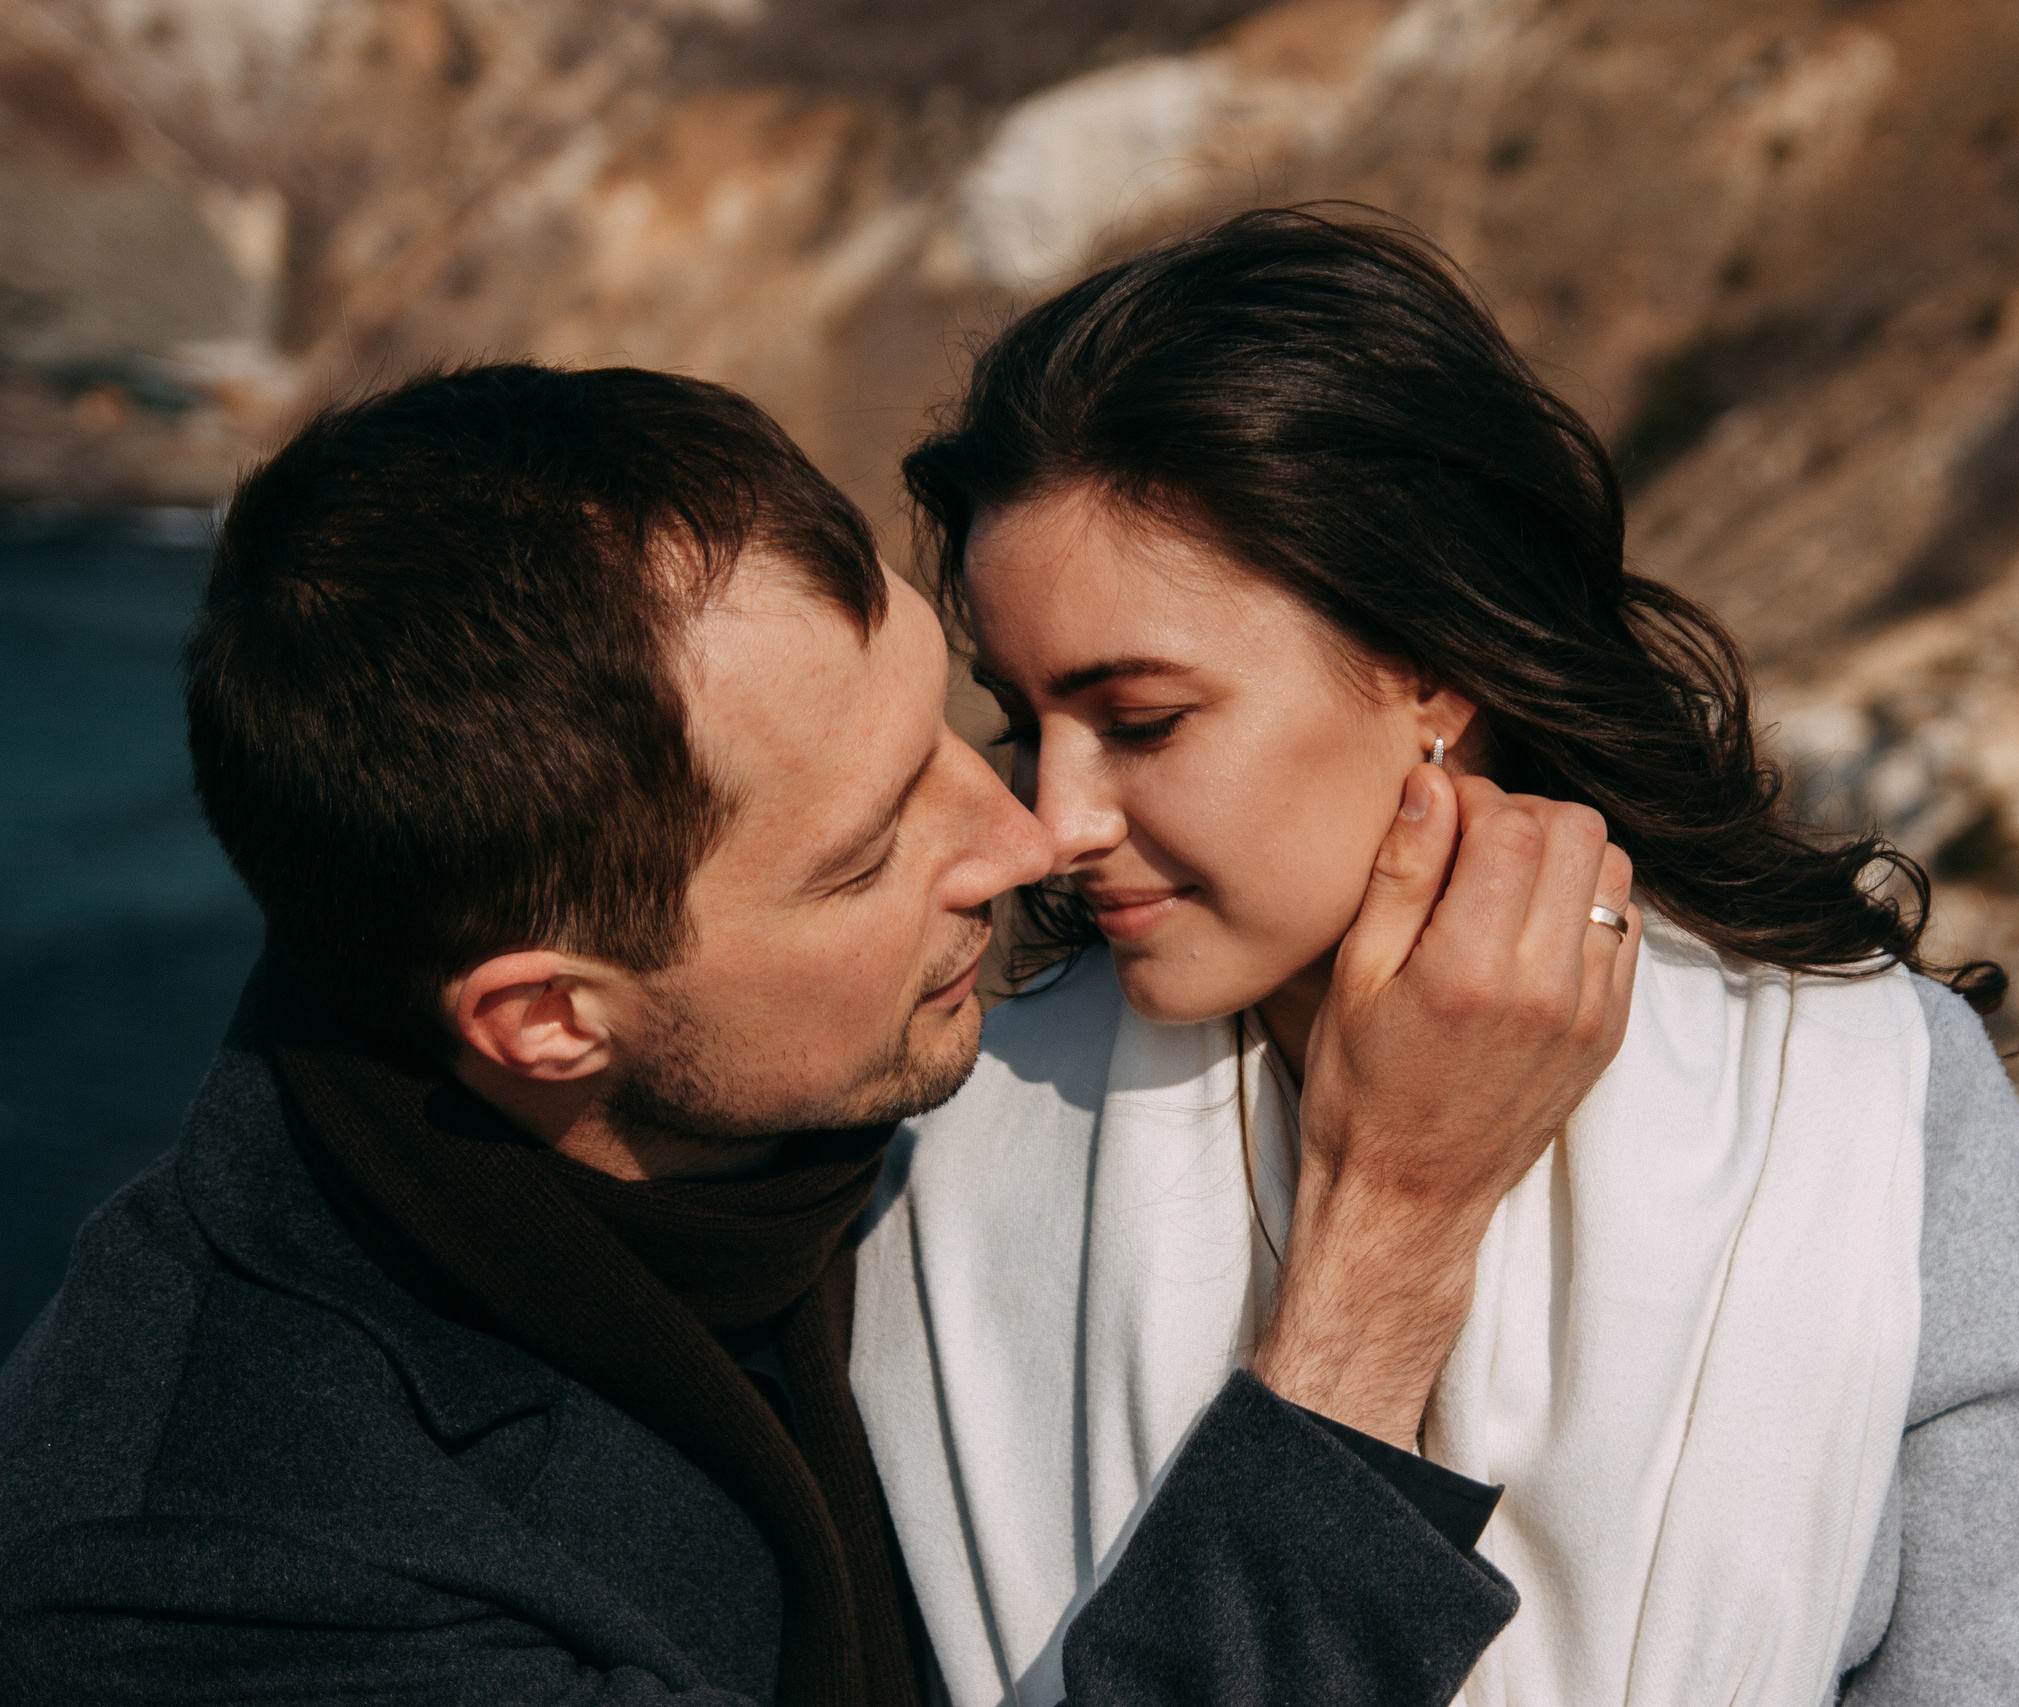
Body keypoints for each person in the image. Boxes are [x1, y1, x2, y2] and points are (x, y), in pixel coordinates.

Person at [0, 363, 1640, 1705]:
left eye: (951, 727)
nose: (1023, 838)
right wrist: (1391, 1229)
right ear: (550, 1020)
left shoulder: (806, 1114)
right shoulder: (219, 1574)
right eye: (864, 855)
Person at [852, 208, 2019, 1707]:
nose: (1054, 818)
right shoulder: (938, 1171)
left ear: (1431, 671)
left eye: (1143, 721)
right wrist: (1390, 1230)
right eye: (1027, 723)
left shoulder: (1854, 1102)